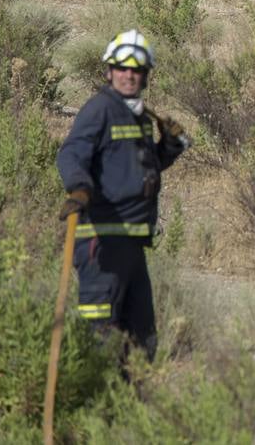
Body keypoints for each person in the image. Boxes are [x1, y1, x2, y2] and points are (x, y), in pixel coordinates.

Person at [56, 30, 190, 362]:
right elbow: (71, 153)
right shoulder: (99, 109)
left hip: (132, 244)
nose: (128, 75)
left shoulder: (140, 116)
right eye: (122, 68)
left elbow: (140, 170)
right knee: (100, 340)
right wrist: (80, 187)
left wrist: (169, 148)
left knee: (142, 342)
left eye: (136, 69)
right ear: (109, 71)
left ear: (145, 75)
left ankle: (132, 407)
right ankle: (93, 408)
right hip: (101, 243)